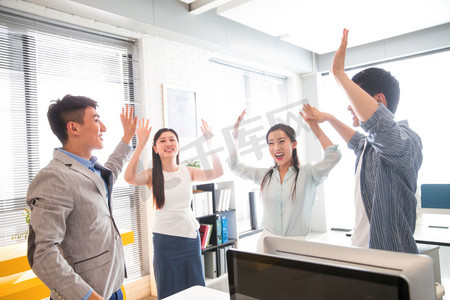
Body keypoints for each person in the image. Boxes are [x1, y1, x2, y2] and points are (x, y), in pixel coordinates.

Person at [303, 29, 423, 253]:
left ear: (379, 101)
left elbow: (379, 126)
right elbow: (358, 141)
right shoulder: (371, 146)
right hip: (362, 250)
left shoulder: (408, 141)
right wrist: (328, 118)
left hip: (390, 256)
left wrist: (339, 75)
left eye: (353, 98)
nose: (350, 106)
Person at [27, 95, 137, 300]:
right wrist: (87, 296)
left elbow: (112, 169)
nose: (103, 127)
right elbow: (41, 254)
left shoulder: (91, 170)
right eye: (96, 120)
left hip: (113, 288)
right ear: (74, 128)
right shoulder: (54, 177)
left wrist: (126, 139)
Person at [123, 118, 224, 299]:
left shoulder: (188, 171)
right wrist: (141, 144)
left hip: (190, 238)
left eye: (172, 140)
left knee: (195, 291)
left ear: (178, 145)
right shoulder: (151, 175)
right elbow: (129, 177)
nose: (168, 143)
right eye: (162, 140)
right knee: (170, 291)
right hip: (165, 241)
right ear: (155, 148)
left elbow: (217, 172)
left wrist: (209, 141)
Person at [229, 107, 341, 252]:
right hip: (266, 243)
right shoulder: (264, 175)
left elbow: (334, 156)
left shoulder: (308, 174)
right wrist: (235, 136)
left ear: (294, 144)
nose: (276, 148)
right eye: (271, 143)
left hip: (297, 247)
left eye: (281, 141)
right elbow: (234, 165)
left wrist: (315, 127)